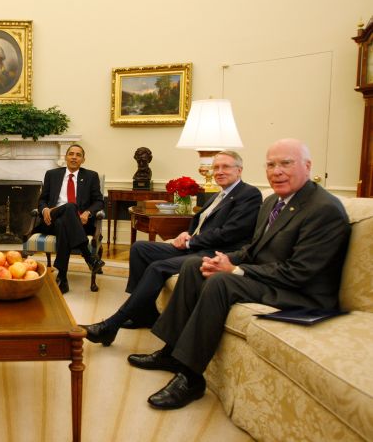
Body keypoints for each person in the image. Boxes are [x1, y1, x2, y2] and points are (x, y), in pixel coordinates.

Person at [127, 139, 350, 410]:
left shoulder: (324, 209)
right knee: (195, 265)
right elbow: (253, 249)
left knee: (221, 282)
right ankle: (170, 352)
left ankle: (190, 377)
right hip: (269, 278)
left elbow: (299, 273)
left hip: (301, 293)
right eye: (271, 164)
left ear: (307, 166)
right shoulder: (272, 202)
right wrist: (224, 259)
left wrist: (234, 270)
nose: (276, 171)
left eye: (286, 163)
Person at [81, 151, 262, 343]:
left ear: (239, 170)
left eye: (225, 167)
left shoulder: (248, 194)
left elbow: (230, 232)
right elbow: (199, 221)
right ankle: (145, 314)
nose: (219, 171)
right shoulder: (219, 195)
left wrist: (192, 241)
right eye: (216, 167)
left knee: (157, 267)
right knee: (140, 248)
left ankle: (111, 325)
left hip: (217, 252)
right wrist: (187, 234)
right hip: (197, 245)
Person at [36, 144, 105, 294]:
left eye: (78, 155)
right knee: (70, 207)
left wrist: (87, 213)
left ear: (83, 159)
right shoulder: (52, 174)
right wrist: (45, 209)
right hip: (51, 220)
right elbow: (42, 200)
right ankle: (89, 258)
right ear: (66, 157)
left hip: (80, 222)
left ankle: (63, 278)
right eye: (71, 154)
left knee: (64, 222)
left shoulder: (91, 176)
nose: (74, 157)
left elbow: (99, 201)